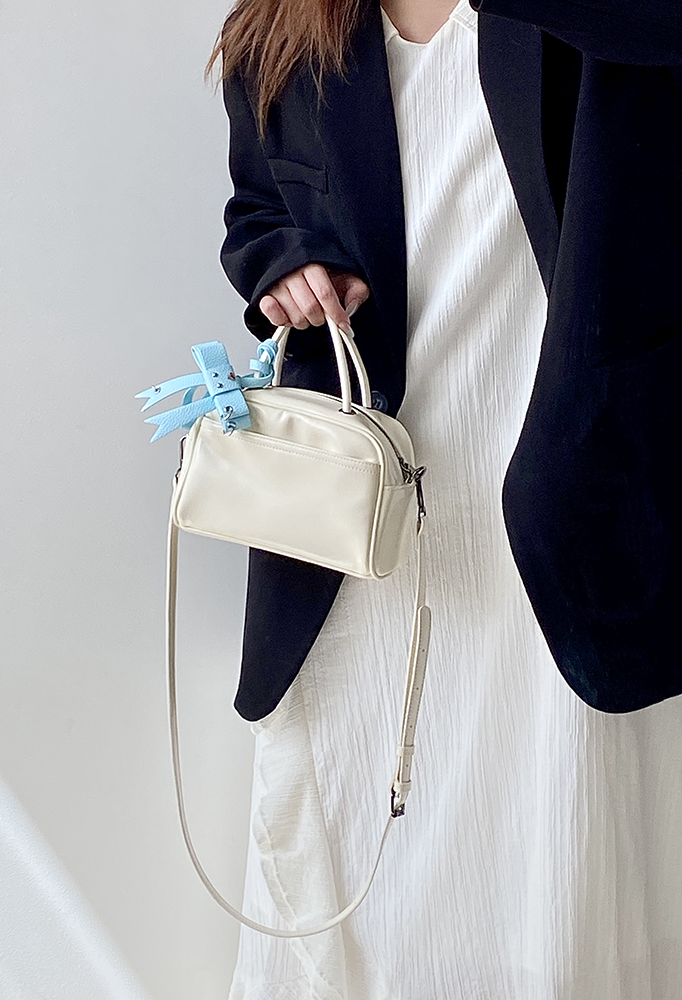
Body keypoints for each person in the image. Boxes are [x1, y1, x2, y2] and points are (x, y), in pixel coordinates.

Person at [210, 0, 682, 995]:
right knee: (352, 845)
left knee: (552, 858)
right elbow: (256, 211)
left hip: (563, 509)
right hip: (360, 522)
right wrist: (285, 270)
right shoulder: (283, 27)